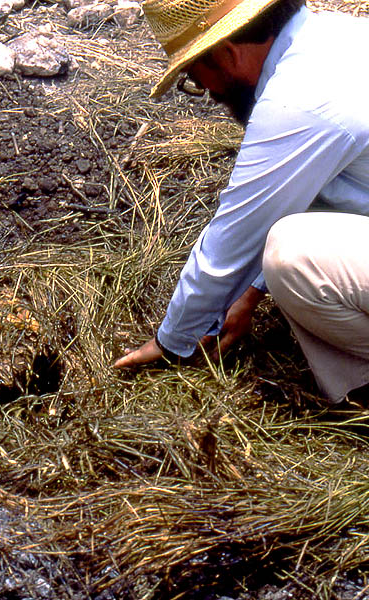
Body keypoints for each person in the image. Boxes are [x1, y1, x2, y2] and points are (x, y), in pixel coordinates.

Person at [113, 0, 369, 403]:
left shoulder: (298, 98)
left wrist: (173, 341)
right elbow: (339, 197)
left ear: (227, 52)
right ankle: (357, 393)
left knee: (292, 256)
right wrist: (253, 289)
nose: (210, 94)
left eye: (195, 79)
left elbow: (230, 244)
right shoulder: (340, 35)